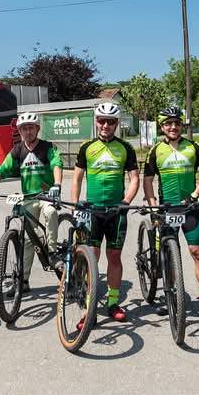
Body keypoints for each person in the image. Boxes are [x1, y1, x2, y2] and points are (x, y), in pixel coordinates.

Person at [0, 112, 63, 291]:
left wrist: (57, 185)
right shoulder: (17, 150)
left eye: (31, 128)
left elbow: (57, 165)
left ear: (37, 129)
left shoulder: (48, 147)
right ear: (20, 131)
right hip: (29, 198)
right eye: (24, 128)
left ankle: (53, 252)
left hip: (46, 195)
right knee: (28, 240)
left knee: (51, 212)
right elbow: (2, 171)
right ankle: (23, 281)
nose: (28, 131)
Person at [143, 105, 199, 320]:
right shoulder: (155, 150)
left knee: (197, 253)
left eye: (176, 123)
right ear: (162, 127)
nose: (173, 127)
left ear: (181, 125)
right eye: (168, 123)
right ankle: (170, 295)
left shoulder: (193, 146)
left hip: (190, 208)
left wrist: (195, 195)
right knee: (168, 256)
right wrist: (153, 205)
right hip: (167, 209)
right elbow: (147, 180)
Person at [72, 101, 139, 323]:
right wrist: (75, 205)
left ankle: (112, 302)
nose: (106, 125)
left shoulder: (125, 148)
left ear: (116, 123)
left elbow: (134, 178)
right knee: (92, 257)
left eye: (110, 121)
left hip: (116, 211)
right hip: (93, 210)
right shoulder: (87, 147)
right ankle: (88, 308)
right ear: (96, 122)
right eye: (102, 120)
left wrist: (126, 201)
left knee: (114, 256)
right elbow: (77, 178)